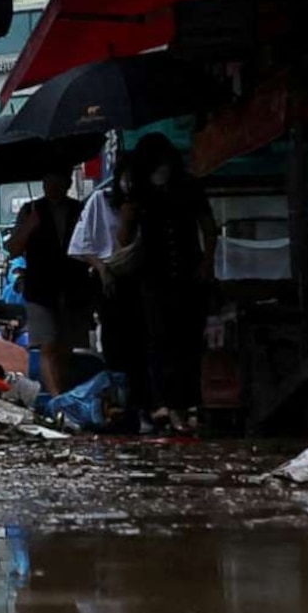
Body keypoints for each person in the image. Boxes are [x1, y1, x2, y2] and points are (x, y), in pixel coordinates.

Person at [116, 133, 216, 433]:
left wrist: (206, 262)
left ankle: (188, 404)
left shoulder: (188, 187)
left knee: (186, 341)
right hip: (155, 277)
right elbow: (124, 239)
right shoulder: (140, 194)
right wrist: (128, 217)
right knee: (163, 341)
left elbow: (209, 228)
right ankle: (169, 405)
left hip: (185, 273)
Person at [6, 174, 87, 394]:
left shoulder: (79, 208)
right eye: (49, 180)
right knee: (47, 344)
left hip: (73, 288)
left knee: (65, 346)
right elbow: (13, 248)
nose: (54, 185)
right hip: (41, 289)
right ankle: (57, 398)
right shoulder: (31, 210)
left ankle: (65, 393)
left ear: (68, 182)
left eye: (59, 180)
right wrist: (29, 227)